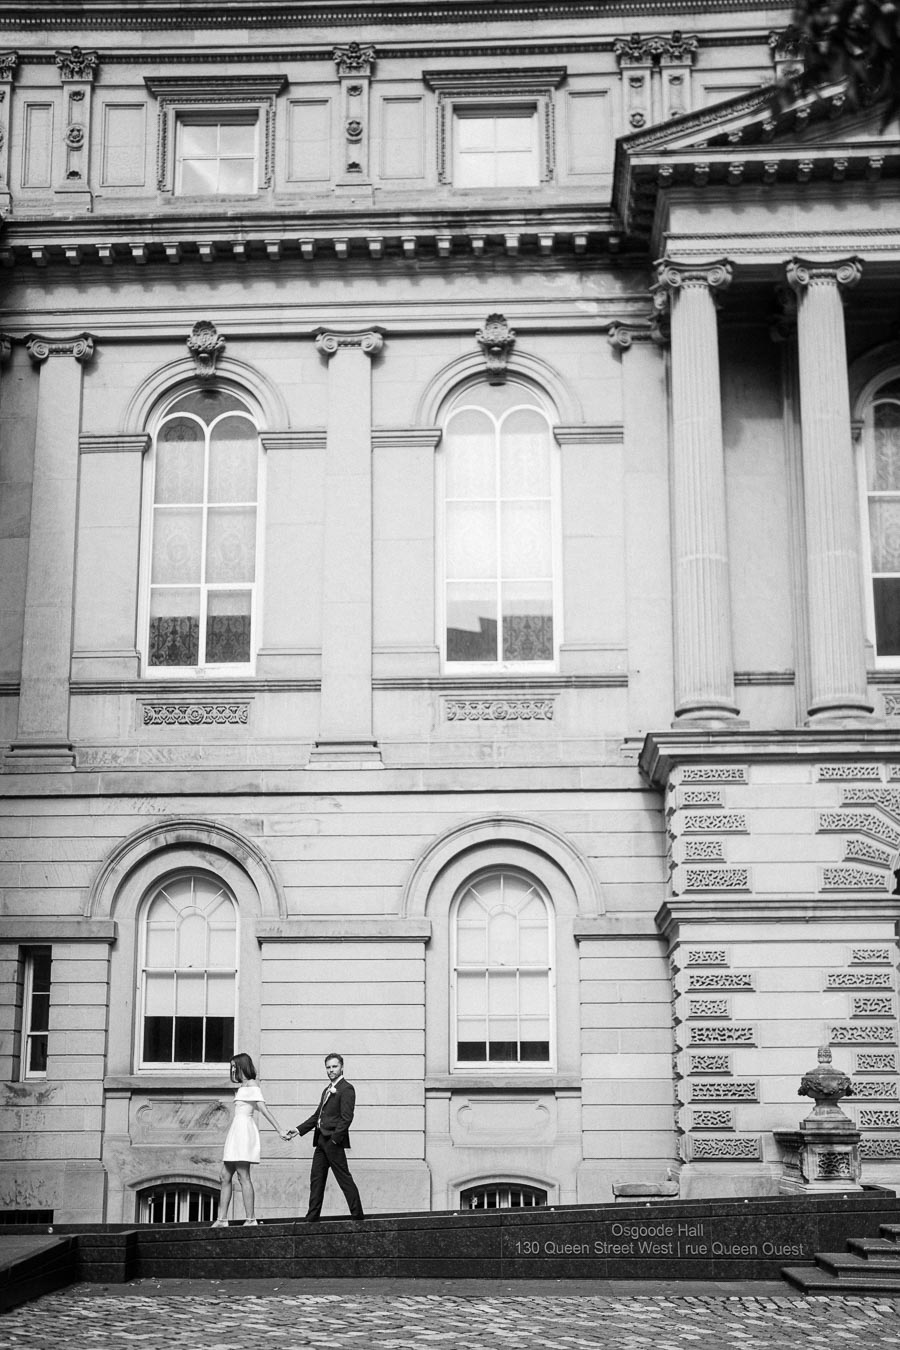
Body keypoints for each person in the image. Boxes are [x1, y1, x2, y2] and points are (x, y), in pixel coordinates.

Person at [212, 1051, 291, 1227]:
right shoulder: (243, 1086)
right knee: (224, 1176)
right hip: (236, 1131)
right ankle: (222, 1219)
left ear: (242, 1066)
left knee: (243, 1175)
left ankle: (250, 1219)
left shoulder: (252, 1085)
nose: (232, 1070)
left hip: (243, 1133)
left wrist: (279, 1129)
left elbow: (263, 1109)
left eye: (234, 1066)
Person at [289, 1052, 365, 1221]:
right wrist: (298, 1130)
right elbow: (317, 1116)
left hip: (333, 1142)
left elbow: (347, 1118)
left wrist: (335, 1139)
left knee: (343, 1179)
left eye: (334, 1066)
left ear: (342, 1067)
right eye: (328, 1067)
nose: (331, 1070)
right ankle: (312, 1217)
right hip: (320, 1141)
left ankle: (358, 1216)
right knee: (316, 1179)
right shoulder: (326, 1090)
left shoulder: (347, 1088)